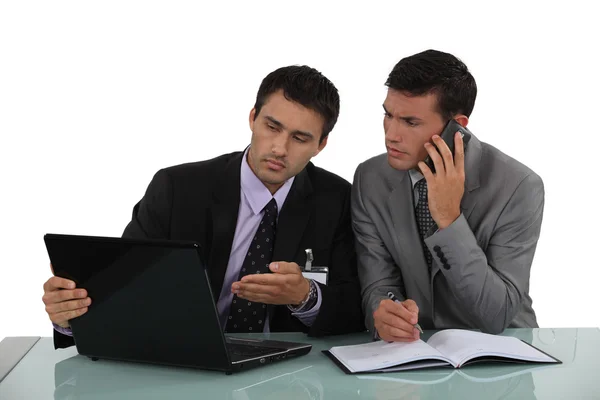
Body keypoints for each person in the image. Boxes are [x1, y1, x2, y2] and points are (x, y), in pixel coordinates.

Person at [42, 65, 365, 349]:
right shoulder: (176, 188)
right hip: (181, 356)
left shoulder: (336, 199)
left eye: (300, 138)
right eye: (272, 127)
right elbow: (124, 289)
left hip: (291, 373)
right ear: (253, 118)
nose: (279, 148)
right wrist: (68, 317)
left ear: (321, 145)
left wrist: (304, 295)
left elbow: (356, 308)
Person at [352, 49, 544, 343]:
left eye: (410, 122)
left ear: (457, 126)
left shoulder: (519, 186)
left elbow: (496, 314)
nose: (391, 134)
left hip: (501, 353)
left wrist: (449, 220)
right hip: (414, 352)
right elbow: (378, 283)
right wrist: (384, 313)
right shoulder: (370, 178)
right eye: (388, 115)